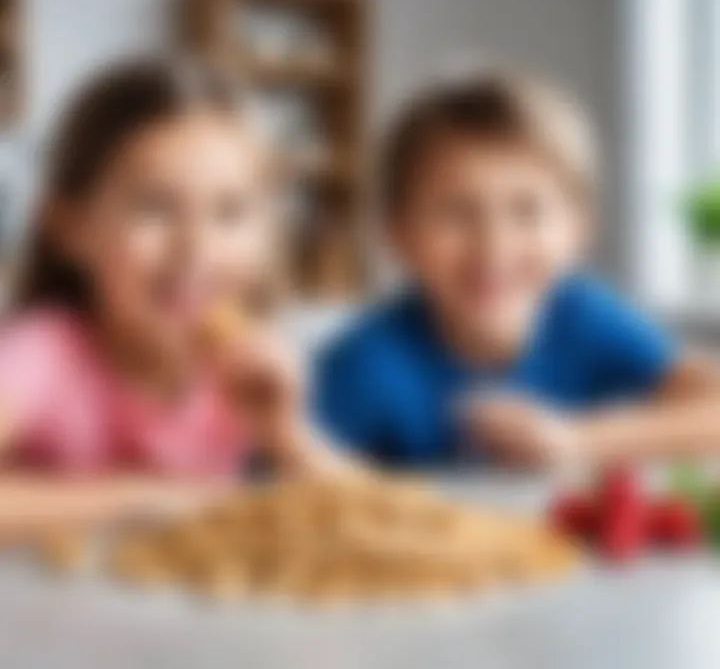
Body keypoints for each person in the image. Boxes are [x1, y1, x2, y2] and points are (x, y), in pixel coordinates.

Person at [0, 57, 339, 538]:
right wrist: (143, 499)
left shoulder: (246, 367)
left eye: (230, 212)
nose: (195, 246)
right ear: (69, 227)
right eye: (154, 207)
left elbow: (361, 514)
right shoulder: (41, 354)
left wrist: (286, 437)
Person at [314, 70, 720, 469]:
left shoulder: (584, 317)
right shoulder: (366, 363)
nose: (494, 245)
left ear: (577, 230)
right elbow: (293, 482)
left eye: (527, 211)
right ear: (399, 234)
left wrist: (575, 439)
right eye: (456, 212)